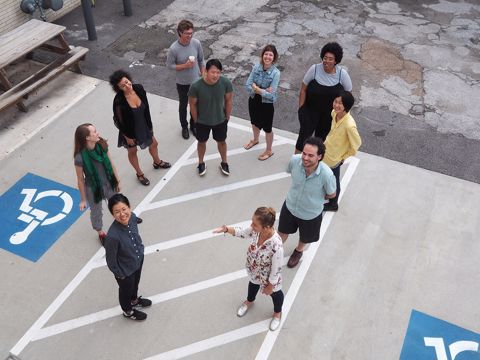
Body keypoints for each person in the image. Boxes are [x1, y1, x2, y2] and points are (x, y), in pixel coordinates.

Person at [214, 207, 284, 331]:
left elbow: (276, 269)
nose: (252, 225)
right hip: (255, 270)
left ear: (266, 227)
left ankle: (277, 313)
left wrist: (270, 286)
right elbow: (243, 232)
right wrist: (226, 229)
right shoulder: (256, 231)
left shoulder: (276, 245)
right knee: (253, 284)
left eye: (255, 224)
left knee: (276, 294)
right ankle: (249, 301)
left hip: (269, 278)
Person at [278, 137, 336, 268]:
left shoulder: (326, 174)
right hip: (290, 206)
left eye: (311, 155)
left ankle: (298, 251)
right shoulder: (294, 160)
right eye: (304, 153)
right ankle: (274, 251)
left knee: (305, 237)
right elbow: (290, 172)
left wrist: (316, 198)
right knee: (282, 232)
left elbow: (332, 194)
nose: (305, 158)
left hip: (310, 214)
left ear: (319, 157)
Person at [109, 69, 171, 187]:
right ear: (119, 88)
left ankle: (157, 162)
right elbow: (118, 121)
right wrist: (127, 137)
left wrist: (150, 125)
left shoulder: (139, 88)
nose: (127, 86)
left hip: (144, 124)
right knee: (132, 151)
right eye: (123, 86)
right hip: (129, 131)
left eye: (127, 82)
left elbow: (146, 109)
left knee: (154, 143)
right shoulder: (119, 101)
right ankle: (139, 174)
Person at [295, 42, 352, 153]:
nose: (327, 61)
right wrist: (301, 110)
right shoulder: (314, 69)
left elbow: (348, 98)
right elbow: (303, 90)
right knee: (302, 140)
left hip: (329, 116)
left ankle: (316, 166)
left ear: (336, 61)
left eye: (331, 59)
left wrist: (342, 117)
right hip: (310, 112)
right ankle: (295, 162)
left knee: (321, 144)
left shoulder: (342, 75)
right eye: (325, 58)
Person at [105, 193, 152, 321]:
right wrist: (120, 274)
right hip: (125, 270)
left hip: (137, 259)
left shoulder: (133, 218)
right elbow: (110, 260)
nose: (122, 214)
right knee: (125, 290)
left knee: (135, 284)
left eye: (124, 209)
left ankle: (134, 300)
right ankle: (127, 310)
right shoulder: (112, 236)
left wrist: (140, 251)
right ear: (112, 214)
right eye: (117, 212)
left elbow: (134, 225)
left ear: (129, 207)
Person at [74, 123, 121, 244]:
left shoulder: (102, 144)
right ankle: (100, 232)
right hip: (93, 188)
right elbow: (80, 179)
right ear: (87, 138)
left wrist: (117, 180)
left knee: (118, 203)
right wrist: (83, 199)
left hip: (109, 182)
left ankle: (125, 220)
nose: (97, 133)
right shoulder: (79, 157)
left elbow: (111, 163)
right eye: (94, 132)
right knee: (96, 212)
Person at [188, 59, 233, 176]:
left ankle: (224, 162)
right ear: (206, 71)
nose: (216, 75)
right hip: (202, 122)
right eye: (213, 72)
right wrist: (196, 120)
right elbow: (192, 104)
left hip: (220, 120)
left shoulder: (226, 83)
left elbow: (229, 100)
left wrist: (227, 117)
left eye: (218, 72)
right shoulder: (196, 86)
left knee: (222, 141)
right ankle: (201, 162)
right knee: (201, 142)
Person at [166, 19, 206, 140]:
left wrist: (203, 75)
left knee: (195, 104)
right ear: (180, 33)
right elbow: (169, 65)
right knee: (183, 105)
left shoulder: (196, 43)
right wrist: (185, 66)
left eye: (191, 33)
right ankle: (184, 127)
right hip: (182, 83)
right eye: (187, 33)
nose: (190, 35)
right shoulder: (174, 48)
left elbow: (201, 60)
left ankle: (193, 125)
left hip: (196, 81)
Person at [323, 91, 361, 211]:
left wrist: (343, 157)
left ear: (347, 106)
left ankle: (333, 204)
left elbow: (356, 144)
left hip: (335, 158)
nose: (336, 105)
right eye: (336, 101)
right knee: (326, 177)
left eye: (340, 103)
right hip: (326, 152)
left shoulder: (349, 125)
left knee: (334, 181)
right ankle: (329, 195)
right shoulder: (334, 113)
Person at [244, 44, 281, 161]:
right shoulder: (256, 67)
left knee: (267, 128)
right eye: (266, 54)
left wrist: (258, 89)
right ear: (262, 55)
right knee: (254, 122)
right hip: (254, 100)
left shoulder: (276, 73)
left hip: (266, 104)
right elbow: (248, 85)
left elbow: (272, 95)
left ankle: (269, 150)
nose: (268, 57)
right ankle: (255, 139)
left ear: (274, 57)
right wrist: (263, 90)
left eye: (271, 55)